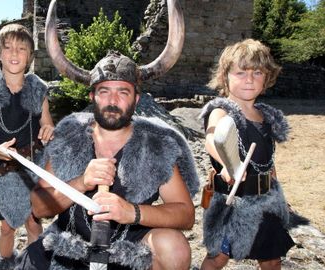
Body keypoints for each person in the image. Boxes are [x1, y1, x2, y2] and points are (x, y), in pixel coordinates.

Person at [15, 1, 198, 269]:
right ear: (92, 97)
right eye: (104, 91)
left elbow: (185, 214)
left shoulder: (156, 146)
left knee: (175, 248)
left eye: (123, 92)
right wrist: (82, 182)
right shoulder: (69, 138)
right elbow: (39, 208)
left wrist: (131, 212)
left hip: (128, 248)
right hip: (69, 244)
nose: (113, 100)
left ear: (136, 100)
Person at [199, 39, 294, 270]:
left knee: (272, 258)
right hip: (232, 203)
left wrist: (279, 194)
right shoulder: (221, 111)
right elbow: (214, 139)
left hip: (267, 200)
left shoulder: (266, 117)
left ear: (267, 78)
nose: (249, 79)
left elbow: (268, 162)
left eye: (257, 72)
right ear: (225, 77)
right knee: (217, 257)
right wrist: (228, 163)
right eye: (240, 72)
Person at [0, 23, 54, 269]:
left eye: (21, 48)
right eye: (7, 47)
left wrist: (49, 129)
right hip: (3, 169)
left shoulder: (38, 89)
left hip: (33, 167)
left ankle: (33, 264)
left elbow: (47, 123)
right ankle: (5, 262)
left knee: (33, 222)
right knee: (8, 226)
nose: (14, 53)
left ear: (30, 56)